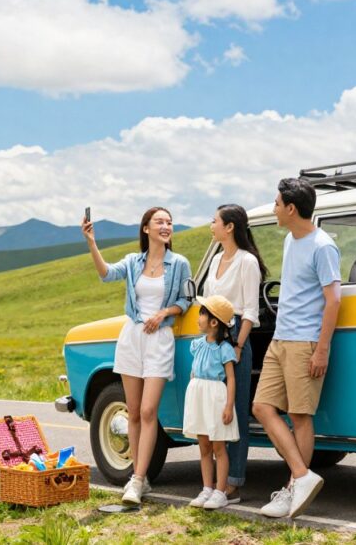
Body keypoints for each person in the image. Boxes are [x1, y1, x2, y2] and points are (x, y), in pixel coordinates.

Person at [82, 207, 192, 505]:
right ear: (146, 229)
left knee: (147, 411)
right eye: (160, 221)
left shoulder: (179, 263)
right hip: (132, 338)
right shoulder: (133, 262)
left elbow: (186, 299)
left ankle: (139, 479)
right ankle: (137, 477)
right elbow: (106, 275)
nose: (166, 226)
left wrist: (165, 312)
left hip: (160, 340)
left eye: (169, 222)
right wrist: (92, 242)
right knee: (132, 409)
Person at [252, 178, 341, 519]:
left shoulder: (323, 246)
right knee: (262, 407)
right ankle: (301, 477)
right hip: (281, 339)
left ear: (291, 208)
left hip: (305, 342)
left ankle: (293, 490)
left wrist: (322, 350)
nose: (274, 208)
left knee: (300, 416)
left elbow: (333, 301)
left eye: (276, 203)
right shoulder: (291, 239)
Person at [203, 204, 268, 505]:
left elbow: (251, 311)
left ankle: (233, 483)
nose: (211, 226)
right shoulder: (216, 257)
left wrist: (238, 347)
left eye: (215, 221)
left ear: (229, 227)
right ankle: (216, 483)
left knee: (235, 412)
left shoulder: (247, 262)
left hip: (234, 342)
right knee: (216, 410)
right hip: (211, 342)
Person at [183, 295, 240, 511]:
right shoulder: (196, 345)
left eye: (202, 313)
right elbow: (194, 370)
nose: (198, 317)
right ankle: (207, 488)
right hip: (199, 396)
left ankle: (220, 491)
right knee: (204, 445)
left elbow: (231, 378)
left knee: (219, 446)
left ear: (214, 322)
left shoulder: (224, 349)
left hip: (215, 397)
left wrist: (228, 406)